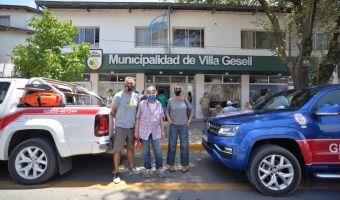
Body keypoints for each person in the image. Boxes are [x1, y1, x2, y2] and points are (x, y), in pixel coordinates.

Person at [110, 77, 141, 184]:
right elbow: (113, 111)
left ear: (134, 84)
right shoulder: (118, 96)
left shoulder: (136, 96)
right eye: (128, 83)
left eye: (131, 83)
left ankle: (131, 166)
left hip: (132, 128)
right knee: (118, 150)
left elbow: (137, 112)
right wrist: (119, 120)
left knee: (130, 148)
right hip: (120, 127)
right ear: (124, 84)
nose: (129, 85)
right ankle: (116, 172)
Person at [134, 85, 166, 178]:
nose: (151, 95)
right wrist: (136, 131)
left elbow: (161, 119)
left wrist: (163, 131)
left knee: (158, 152)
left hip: (156, 132)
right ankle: (147, 169)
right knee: (145, 152)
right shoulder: (142, 104)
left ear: (156, 93)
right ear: (146, 94)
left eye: (153, 93)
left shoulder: (159, 104)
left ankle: (159, 168)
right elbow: (138, 118)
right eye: (149, 93)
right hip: (144, 132)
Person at [166, 84, 194, 173]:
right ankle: (171, 165)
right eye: (176, 89)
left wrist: (189, 121)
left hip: (183, 126)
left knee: (184, 146)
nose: (178, 90)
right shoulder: (170, 100)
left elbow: (192, 110)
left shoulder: (185, 100)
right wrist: (169, 119)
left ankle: (184, 165)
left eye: (179, 89)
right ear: (174, 90)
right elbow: (167, 111)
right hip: (173, 126)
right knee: (172, 146)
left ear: (181, 90)